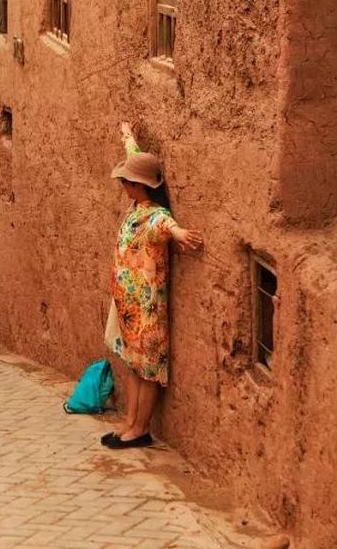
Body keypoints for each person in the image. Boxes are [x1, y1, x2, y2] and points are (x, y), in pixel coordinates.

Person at [102, 122, 203, 449]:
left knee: (147, 372)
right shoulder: (137, 206)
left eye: (126, 182)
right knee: (134, 367)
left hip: (147, 311)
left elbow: (169, 226)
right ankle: (129, 422)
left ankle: (140, 429)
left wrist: (181, 235)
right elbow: (135, 157)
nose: (123, 186)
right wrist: (128, 136)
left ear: (137, 185)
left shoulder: (154, 216)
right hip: (130, 309)